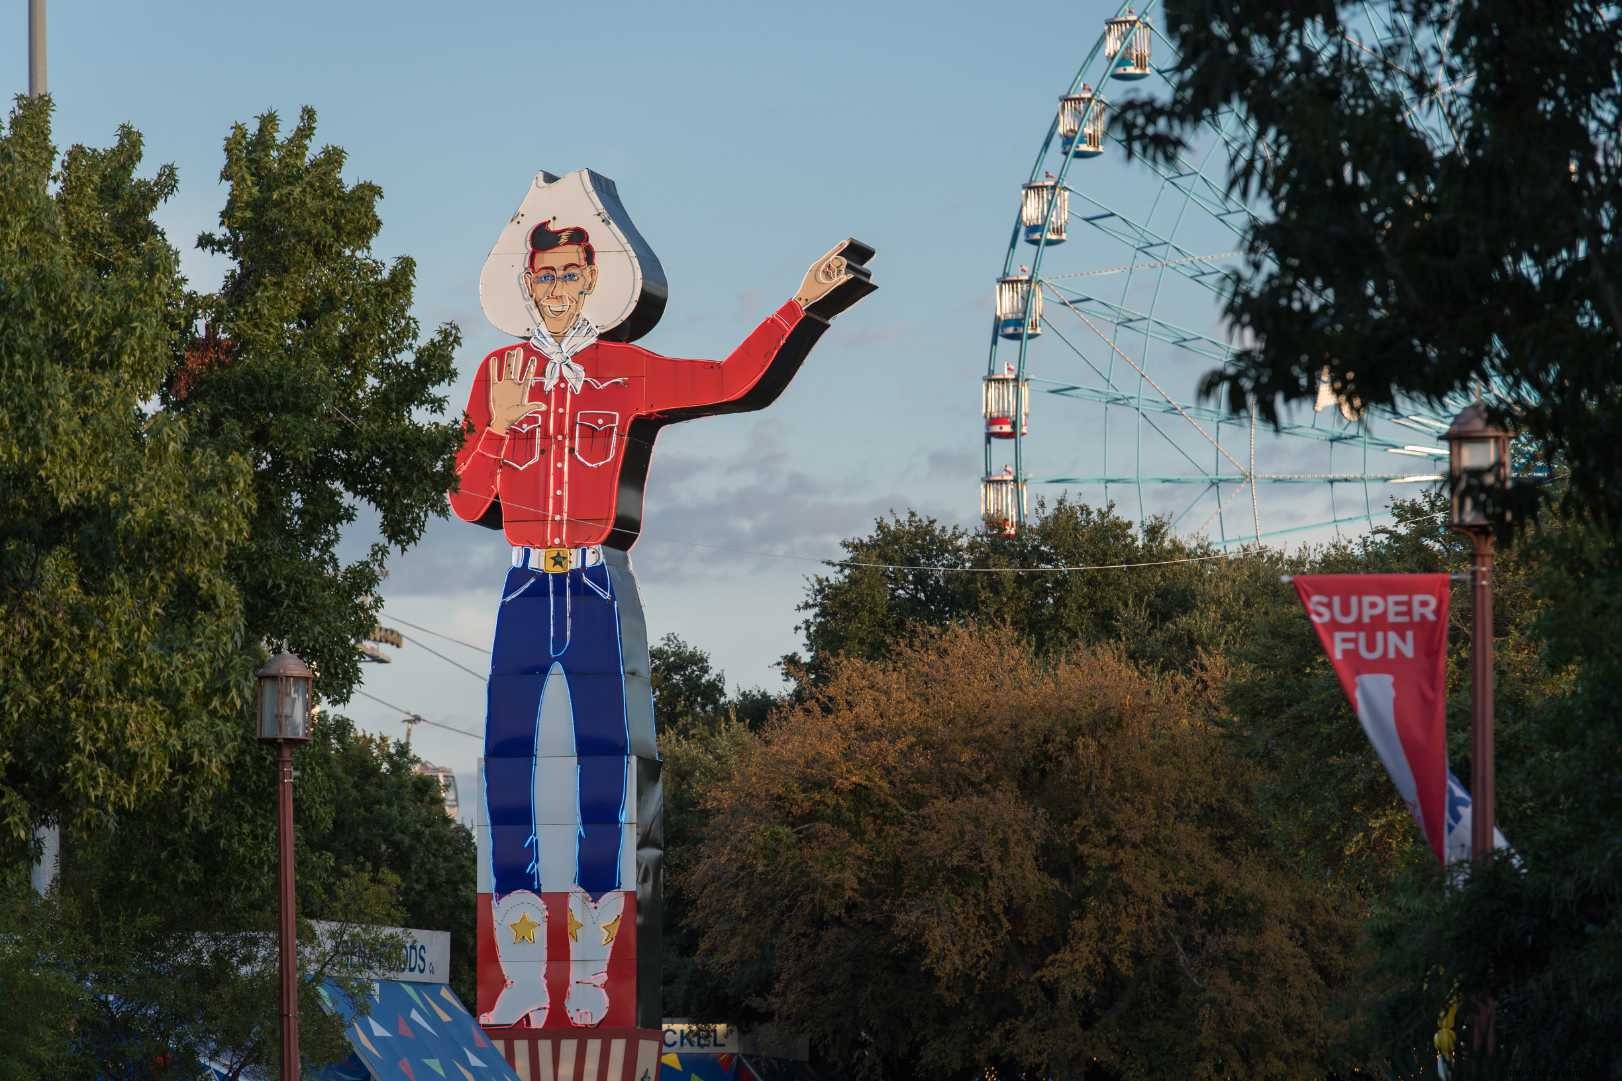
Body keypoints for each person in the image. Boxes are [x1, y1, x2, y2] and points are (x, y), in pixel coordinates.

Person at [451, 218, 873, 1029]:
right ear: (527, 283)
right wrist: (501, 424)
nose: (561, 291)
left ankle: (592, 978)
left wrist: (805, 305)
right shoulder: (496, 372)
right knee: (510, 782)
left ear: (595, 282)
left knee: (607, 783)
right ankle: (522, 975)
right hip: (520, 593)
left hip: (599, 588)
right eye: (547, 278)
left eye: (575, 276)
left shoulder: (625, 371)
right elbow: (467, 500)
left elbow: (732, 379)